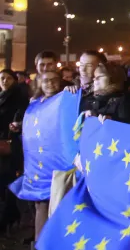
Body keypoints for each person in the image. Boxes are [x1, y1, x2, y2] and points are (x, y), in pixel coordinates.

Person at [24, 69, 64, 244]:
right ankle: (40, 244)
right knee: (41, 205)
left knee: (60, 204)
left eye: (54, 79)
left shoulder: (67, 99)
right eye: (46, 80)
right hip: (39, 165)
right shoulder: (34, 105)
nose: (50, 83)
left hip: (60, 163)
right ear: (39, 83)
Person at [0, 69, 27, 234]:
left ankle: (9, 216)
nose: (4, 81)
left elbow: (21, 117)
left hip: (9, 144)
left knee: (7, 180)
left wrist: (16, 125)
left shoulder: (18, 97)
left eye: (8, 78)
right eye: (2, 78)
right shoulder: (1, 96)